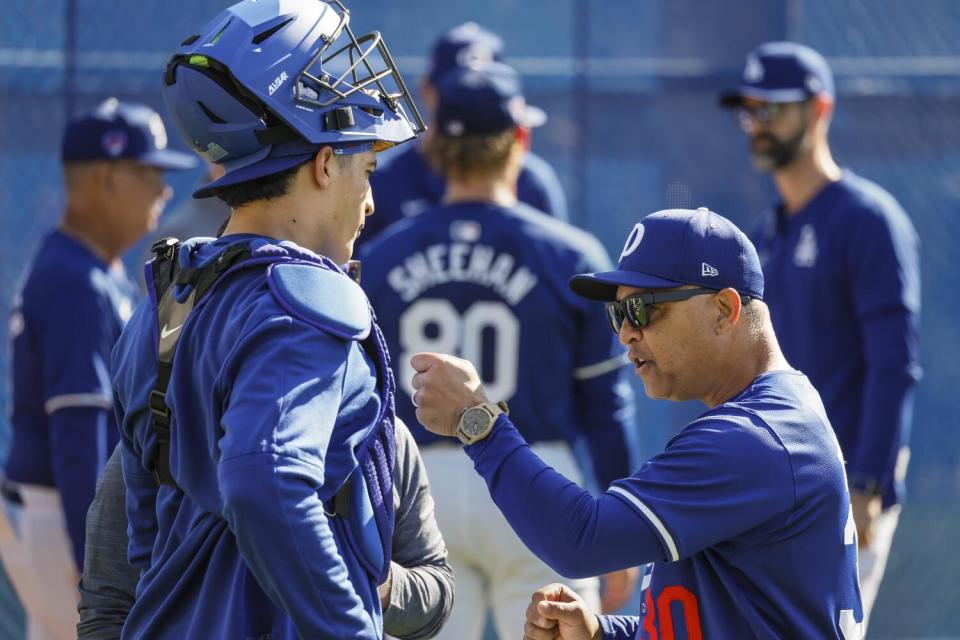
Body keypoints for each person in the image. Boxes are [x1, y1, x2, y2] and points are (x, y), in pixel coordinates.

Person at [111, 0, 425, 637]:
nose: (369, 201)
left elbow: (136, 533)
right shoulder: (310, 303)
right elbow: (265, 479)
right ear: (323, 164)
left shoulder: (167, 296)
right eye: (364, 169)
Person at [410, 208, 865, 639]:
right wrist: (603, 631)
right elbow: (724, 618)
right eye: (618, 313)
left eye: (645, 308)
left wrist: (480, 426)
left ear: (725, 311)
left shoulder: (756, 437)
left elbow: (581, 540)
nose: (627, 332)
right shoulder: (773, 418)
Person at [360, 62, 637, 639]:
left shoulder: (382, 257)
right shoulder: (569, 255)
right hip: (536, 472)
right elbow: (604, 408)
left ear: (435, 147)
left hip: (421, 481)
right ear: (520, 139)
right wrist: (621, 528)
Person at [719, 42, 921, 628]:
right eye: (749, 110)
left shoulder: (866, 220)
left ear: (819, 109)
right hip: (774, 482)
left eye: (773, 109)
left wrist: (868, 482)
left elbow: (894, 365)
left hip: (843, 479)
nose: (757, 124)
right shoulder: (766, 233)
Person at [0, 98, 193, 640]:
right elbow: (78, 430)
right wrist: (96, 558)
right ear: (106, 179)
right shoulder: (74, 281)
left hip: (50, 505)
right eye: (150, 172)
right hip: (61, 507)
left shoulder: (84, 266)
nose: (165, 189)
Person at [77, 419, 454, 640]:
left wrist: (367, 581)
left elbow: (436, 592)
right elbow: (107, 606)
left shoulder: (377, 431)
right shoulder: (165, 427)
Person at [357, 21, 567, 250]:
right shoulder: (387, 179)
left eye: (488, 89)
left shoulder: (533, 181)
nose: (473, 102)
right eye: (457, 88)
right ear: (427, 90)